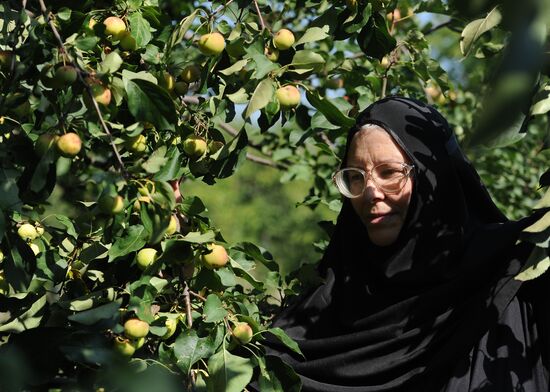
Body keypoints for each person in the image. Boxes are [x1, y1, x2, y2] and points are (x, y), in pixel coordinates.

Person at [264, 96, 549, 391]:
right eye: (355, 177)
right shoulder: (322, 315)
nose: (370, 192)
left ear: (433, 179)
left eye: (388, 173)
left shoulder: (517, 271)